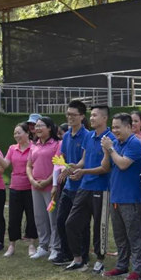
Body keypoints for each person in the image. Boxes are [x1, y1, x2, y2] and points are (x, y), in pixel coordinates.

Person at [66, 105, 114, 272]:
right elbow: (84, 161)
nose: (91, 118)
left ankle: (100, 260)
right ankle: (78, 258)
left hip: (102, 188)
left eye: (95, 115)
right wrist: (75, 167)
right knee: (71, 223)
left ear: (104, 118)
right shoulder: (89, 136)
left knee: (99, 228)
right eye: (91, 115)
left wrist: (83, 171)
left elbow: (105, 168)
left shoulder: (110, 138)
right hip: (85, 186)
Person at [100, 113, 141, 280]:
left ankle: (138, 269)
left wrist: (110, 148)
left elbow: (123, 164)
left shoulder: (134, 143)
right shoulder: (116, 144)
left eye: (118, 127)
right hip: (116, 196)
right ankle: (121, 265)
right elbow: (105, 167)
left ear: (128, 127)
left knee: (134, 234)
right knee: (120, 235)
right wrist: (106, 151)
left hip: (130, 197)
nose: (115, 131)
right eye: (113, 127)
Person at [52, 101, 90, 266]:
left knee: (81, 224)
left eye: (73, 115)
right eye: (68, 114)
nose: (70, 118)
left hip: (82, 185)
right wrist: (64, 169)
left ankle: (83, 254)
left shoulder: (87, 135)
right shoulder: (66, 136)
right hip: (68, 186)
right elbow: (64, 159)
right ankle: (66, 252)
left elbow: (85, 159)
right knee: (61, 220)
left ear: (82, 116)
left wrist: (72, 169)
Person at [0, 122, 37, 257]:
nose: (16, 135)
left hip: (30, 187)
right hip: (15, 187)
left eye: (19, 132)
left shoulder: (34, 147)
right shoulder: (12, 148)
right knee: (14, 218)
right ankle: (12, 246)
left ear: (27, 133)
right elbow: (5, 164)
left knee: (31, 217)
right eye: (15, 133)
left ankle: (32, 245)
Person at [26, 117, 61, 260]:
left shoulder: (58, 144)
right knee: (39, 217)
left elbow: (58, 166)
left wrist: (47, 181)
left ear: (50, 128)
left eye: (41, 126)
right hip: (35, 187)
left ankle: (55, 247)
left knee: (53, 218)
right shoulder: (34, 145)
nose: (38, 128)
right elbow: (29, 165)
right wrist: (32, 180)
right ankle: (43, 246)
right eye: (37, 126)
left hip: (50, 188)